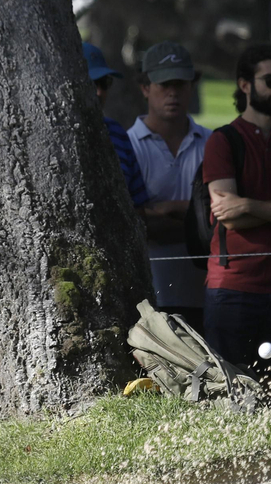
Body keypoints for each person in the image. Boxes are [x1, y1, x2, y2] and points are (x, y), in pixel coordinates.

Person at [200, 44, 271, 370]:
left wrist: (248, 204)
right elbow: (230, 219)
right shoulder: (222, 141)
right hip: (233, 288)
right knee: (230, 390)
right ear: (245, 84)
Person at [127, 42, 210, 326]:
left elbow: (223, 223)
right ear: (145, 88)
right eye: (164, 84)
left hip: (208, 293)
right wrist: (197, 220)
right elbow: (132, 225)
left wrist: (166, 209)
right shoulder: (127, 147)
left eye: (181, 84)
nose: (173, 92)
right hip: (148, 297)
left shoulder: (214, 144)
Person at [83, 42, 150, 211]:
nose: (99, 92)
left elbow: (139, 205)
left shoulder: (117, 132)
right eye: (91, 82)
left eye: (104, 83)